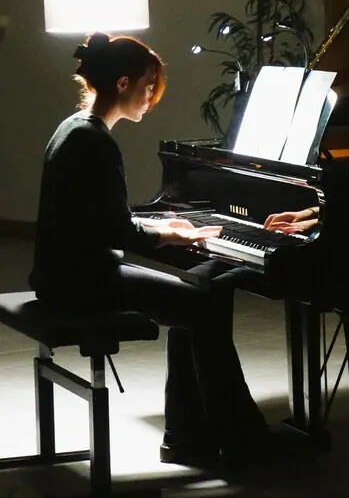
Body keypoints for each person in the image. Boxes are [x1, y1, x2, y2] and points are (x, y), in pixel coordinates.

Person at [28, 32, 297, 471]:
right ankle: (243, 443)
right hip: (83, 282)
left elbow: (103, 221)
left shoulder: (75, 127)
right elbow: (119, 233)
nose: (150, 96)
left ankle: (187, 436)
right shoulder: (95, 141)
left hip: (66, 273)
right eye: (147, 85)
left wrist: (164, 225)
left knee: (200, 293)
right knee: (203, 304)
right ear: (122, 83)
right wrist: (168, 235)